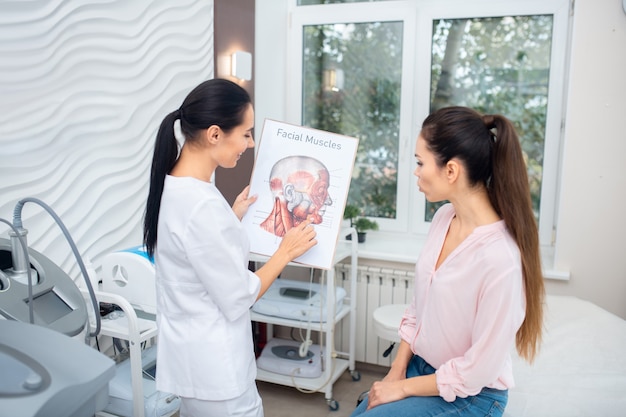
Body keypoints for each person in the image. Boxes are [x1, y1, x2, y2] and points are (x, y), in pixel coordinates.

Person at [351, 106, 544, 417]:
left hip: (473, 394)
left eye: (420, 162)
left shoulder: (500, 258)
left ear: (451, 171)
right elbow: (418, 309)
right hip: (423, 370)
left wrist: (401, 389)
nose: (415, 171)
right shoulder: (443, 218)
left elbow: (477, 370)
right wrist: (396, 372)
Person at [143, 78, 317, 417]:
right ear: (214, 134)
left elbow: (197, 251)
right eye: (246, 133)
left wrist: (232, 215)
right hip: (216, 372)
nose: (250, 144)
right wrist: (285, 252)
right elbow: (240, 296)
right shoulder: (202, 206)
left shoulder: (177, 186)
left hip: (193, 360)